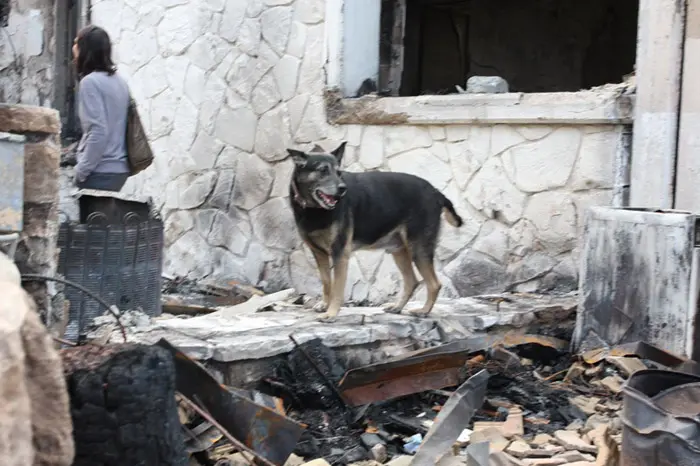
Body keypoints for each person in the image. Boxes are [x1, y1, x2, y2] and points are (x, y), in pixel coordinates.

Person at [72, 25, 130, 191]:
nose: (73, 48)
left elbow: (98, 132)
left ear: (85, 49)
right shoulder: (120, 81)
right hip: (119, 170)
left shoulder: (90, 82)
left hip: (99, 170)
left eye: (77, 43)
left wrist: (81, 171)